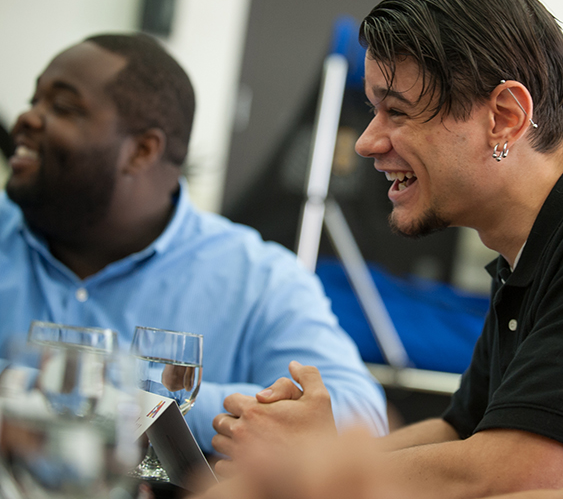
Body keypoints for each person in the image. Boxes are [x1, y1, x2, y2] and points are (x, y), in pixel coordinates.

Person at [210, 0, 563, 496]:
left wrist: (311, 472)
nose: (367, 142)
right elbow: (460, 429)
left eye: (397, 111)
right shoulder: (537, 242)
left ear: (504, 117)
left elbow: (513, 470)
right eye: (373, 111)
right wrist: (317, 457)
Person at [0, 33, 388, 453]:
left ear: (143, 150)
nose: (26, 119)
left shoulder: (257, 278)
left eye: (62, 107)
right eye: (33, 100)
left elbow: (355, 418)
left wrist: (129, 404)